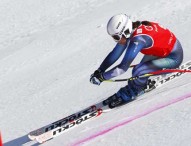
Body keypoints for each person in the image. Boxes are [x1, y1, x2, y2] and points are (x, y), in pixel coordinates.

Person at [90, 14, 183, 108]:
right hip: (161, 52)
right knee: (138, 73)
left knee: (138, 71)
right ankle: (137, 84)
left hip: (173, 58)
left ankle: (137, 89)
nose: (116, 41)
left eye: (116, 37)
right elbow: (116, 53)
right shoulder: (132, 31)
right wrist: (100, 70)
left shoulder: (139, 39)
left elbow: (123, 68)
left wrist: (102, 77)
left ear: (125, 31)